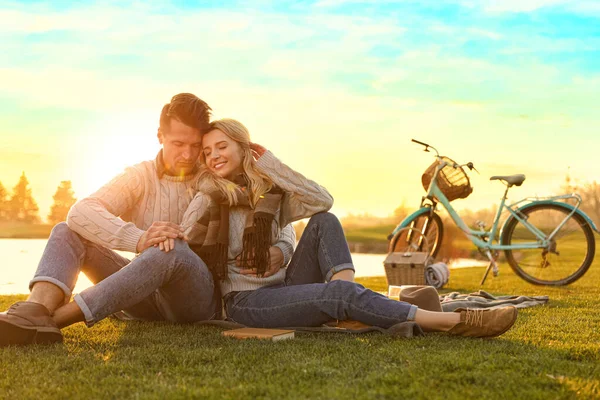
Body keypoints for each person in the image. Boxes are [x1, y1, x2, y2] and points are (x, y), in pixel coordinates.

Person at [173, 118, 518, 338]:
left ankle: (345, 312)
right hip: (246, 301)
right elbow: (184, 240)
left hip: (284, 286)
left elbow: (322, 200)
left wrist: (271, 165)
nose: (213, 155)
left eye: (222, 146)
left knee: (325, 222)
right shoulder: (208, 198)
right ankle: (454, 322)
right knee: (340, 294)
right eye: (207, 152)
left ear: (242, 148)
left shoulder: (270, 194)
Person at [0, 94, 266, 347]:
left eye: (195, 146)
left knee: (171, 248)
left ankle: (56, 320)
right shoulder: (140, 176)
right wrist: (138, 238)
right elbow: (81, 211)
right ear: (160, 136)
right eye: (178, 144)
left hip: (194, 298)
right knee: (66, 231)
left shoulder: (215, 173)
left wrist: (281, 248)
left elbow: (268, 206)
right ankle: (35, 312)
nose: (187, 154)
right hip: (141, 297)